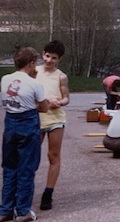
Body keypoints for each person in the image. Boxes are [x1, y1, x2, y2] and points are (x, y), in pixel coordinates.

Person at [0, 47, 49, 222]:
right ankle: (22, 211)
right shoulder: (35, 83)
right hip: (28, 122)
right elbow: (44, 107)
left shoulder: (5, 79)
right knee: (26, 167)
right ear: (31, 63)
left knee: (9, 166)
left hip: (10, 122)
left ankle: (5, 209)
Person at [36, 39, 69, 211]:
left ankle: (48, 194)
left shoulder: (61, 76)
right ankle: (23, 191)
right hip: (37, 120)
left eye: (53, 58)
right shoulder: (34, 72)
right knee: (31, 157)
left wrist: (60, 102)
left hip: (55, 120)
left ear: (59, 59)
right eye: (47, 56)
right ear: (43, 54)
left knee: (53, 156)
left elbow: (66, 98)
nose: (49, 60)